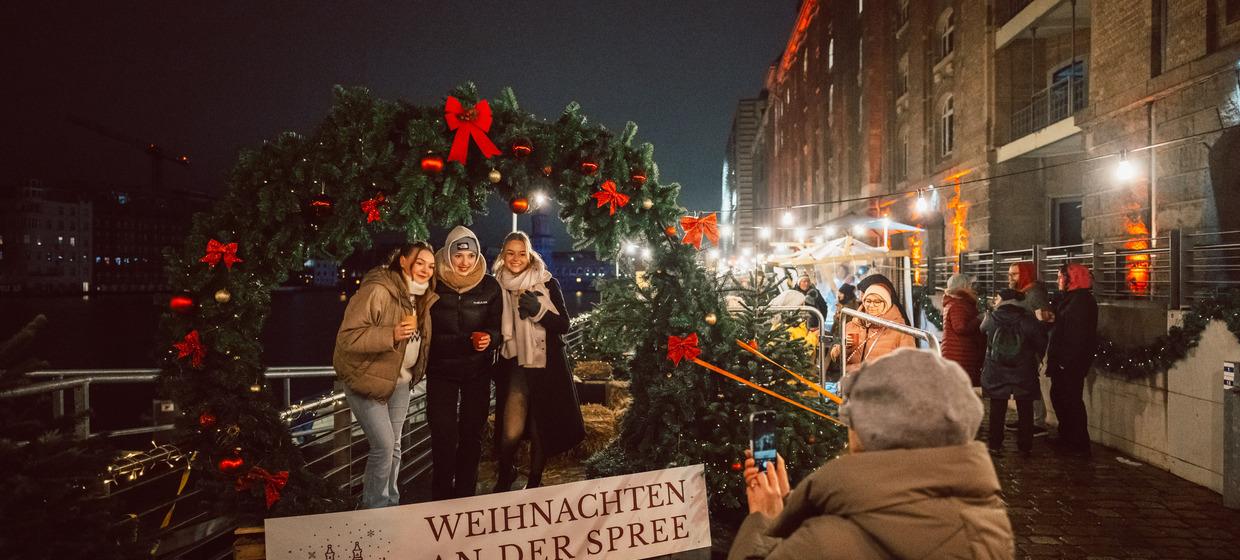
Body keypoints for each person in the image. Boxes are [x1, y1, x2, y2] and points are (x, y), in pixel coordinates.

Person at [728, 348, 1014, 559]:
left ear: (864, 432)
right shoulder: (990, 523)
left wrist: (763, 521)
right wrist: (789, 507)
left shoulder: (827, 543)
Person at [332, 242, 437, 509]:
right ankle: (374, 511)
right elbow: (348, 338)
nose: (426, 269)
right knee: (384, 445)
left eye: (431, 265)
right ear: (403, 261)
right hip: (365, 379)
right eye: (420, 262)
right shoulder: (378, 290)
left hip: (400, 381)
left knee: (395, 446)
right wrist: (390, 333)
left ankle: (391, 503)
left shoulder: (421, 296)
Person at [491, 232, 585, 492]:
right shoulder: (496, 285)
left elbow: (563, 324)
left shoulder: (547, 283)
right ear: (502, 255)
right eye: (510, 253)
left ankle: (534, 480)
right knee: (510, 429)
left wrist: (538, 311)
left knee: (540, 426)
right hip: (515, 363)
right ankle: (504, 477)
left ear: (529, 254)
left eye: (522, 253)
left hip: (547, 366)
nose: (516, 258)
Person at [427, 226, 502, 499]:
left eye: (471, 255)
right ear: (448, 255)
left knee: (472, 436)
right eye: (458, 256)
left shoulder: (490, 285)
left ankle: (465, 494)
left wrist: (489, 338)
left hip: (477, 371)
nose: (465, 262)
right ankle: (440, 495)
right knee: (443, 435)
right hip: (440, 371)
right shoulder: (431, 281)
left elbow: (499, 327)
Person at [980, 289, 1047, 457]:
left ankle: (995, 444)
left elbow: (982, 331)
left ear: (1004, 300)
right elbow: (1041, 341)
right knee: (1025, 408)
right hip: (1023, 369)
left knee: (997, 407)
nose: (995, 300)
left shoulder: (992, 317)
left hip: (996, 368)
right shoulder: (1028, 319)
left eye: (997, 298)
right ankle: (1025, 446)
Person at [1045, 263, 1098, 457]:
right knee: (1059, 396)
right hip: (1064, 360)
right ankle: (1067, 436)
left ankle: (1079, 443)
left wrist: (1064, 361)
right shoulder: (1071, 299)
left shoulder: (1081, 302)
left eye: (1061, 277)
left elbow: (1077, 336)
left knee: (1071, 400)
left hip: (1070, 362)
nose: (1058, 281)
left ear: (1072, 279)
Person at [1007, 261, 1052, 436]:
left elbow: (1045, 319)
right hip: (1020, 344)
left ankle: (1038, 420)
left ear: (1024, 274)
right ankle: (1025, 417)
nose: (1010, 278)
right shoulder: (1019, 293)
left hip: (1030, 346)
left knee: (1030, 383)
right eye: (1009, 274)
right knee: (1021, 383)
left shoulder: (1033, 294)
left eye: (1015, 274)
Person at [829, 281, 915, 366]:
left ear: (886, 303)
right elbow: (835, 359)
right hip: (853, 378)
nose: (871, 305)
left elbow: (908, 363)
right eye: (868, 301)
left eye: (877, 302)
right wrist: (843, 347)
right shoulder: (852, 325)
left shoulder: (900, 330)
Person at [941, 273, 985, 387]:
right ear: (962, 286)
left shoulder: (954, 302)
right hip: (959, 355)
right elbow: (960, 328)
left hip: (959, 354)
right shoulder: (957, 304)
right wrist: (979, 318)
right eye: (969, 284)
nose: (972, 287)